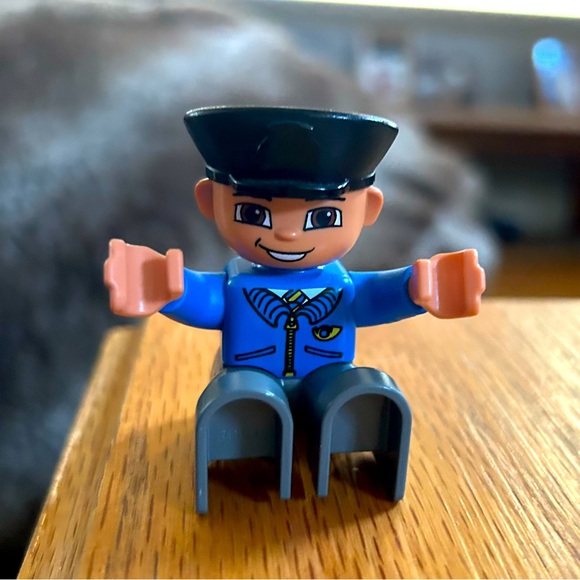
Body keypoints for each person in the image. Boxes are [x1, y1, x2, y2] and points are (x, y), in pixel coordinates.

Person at [104, 106, 485, 510]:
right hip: (251, 375)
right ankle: (246, 432)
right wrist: (171, 290)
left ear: (369, 209)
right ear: (209, 201)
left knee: (356, 389)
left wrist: (416, 289)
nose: (287, 233)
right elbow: (209, 300)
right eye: (254, 213)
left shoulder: (340, 285)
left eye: (323, 216)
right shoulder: (237, 284)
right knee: (244, 394)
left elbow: (373, 296)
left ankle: (357, 422)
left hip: (327, 373)